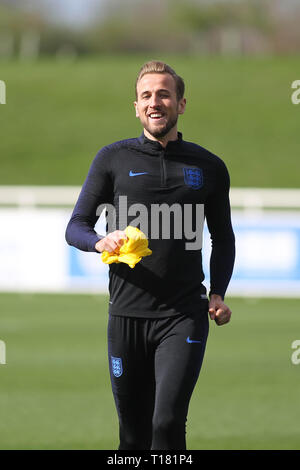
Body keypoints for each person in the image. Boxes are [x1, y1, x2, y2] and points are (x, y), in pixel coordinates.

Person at [65, 60, 235, 450]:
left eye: (163, 94)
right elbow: (75, 226)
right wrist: (99, 242)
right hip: (125, 316)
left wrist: (218, 293)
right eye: (146, 96)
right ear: (137, 107)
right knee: (132, 435)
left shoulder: (209, 166)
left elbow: (223, 237)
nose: (154, 102)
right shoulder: (112, 159)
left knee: (167, 423)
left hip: (184, 316)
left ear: (181, 103)